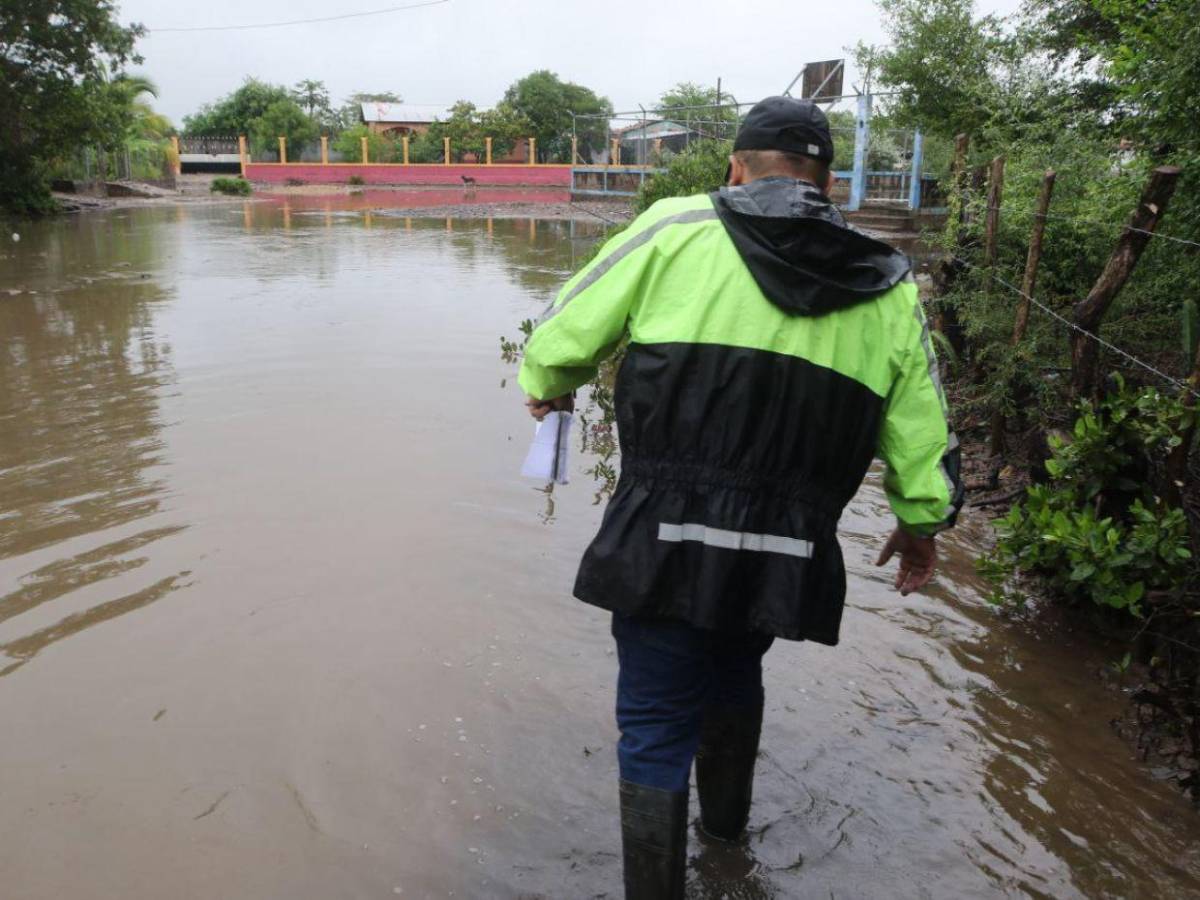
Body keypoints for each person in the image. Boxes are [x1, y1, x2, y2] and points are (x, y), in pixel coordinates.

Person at [518, 96, 964, 899]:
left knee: (655, 720)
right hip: (786, 549)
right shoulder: (889, 283)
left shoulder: (678, 227)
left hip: (664, 530)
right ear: (828, 181)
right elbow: (921, 425)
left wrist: (548, 387)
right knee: (732, 678)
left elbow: (559, 337)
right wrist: (923, 521)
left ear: (734, 168)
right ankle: (726, 849)